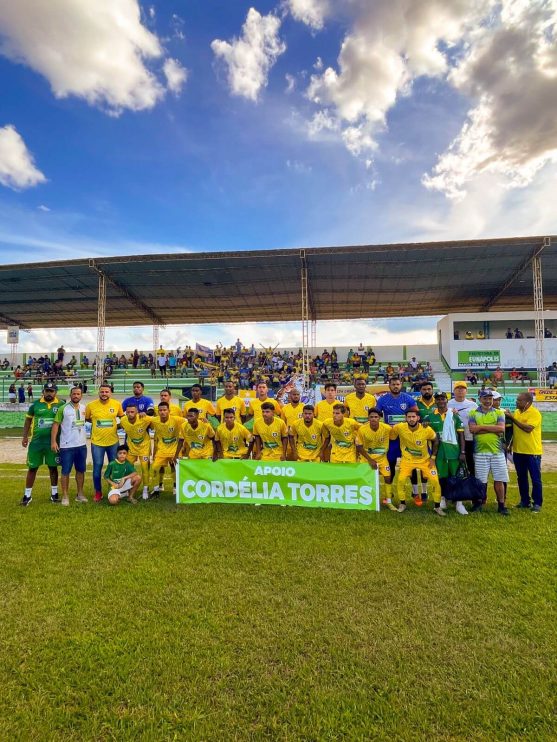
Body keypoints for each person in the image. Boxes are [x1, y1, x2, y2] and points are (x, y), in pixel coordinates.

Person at [422, 392, 469, 515]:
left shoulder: (454, 416)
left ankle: (459, 503)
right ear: (435, 401)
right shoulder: (430, 417)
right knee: (441, 478)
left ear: (446, 400)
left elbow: (461, 435)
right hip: (439, 453)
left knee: (457, 477)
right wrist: (424, 425)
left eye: (443, 398)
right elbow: (425, 434)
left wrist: (463, 452)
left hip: (454, 451)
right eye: (438, 399)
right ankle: (442, 499)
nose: (440, 401)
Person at [390, 410, 444, 516]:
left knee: (435, 481)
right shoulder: (399, 427)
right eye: (409, 417)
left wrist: (433, 457)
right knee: (400, 480)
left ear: (418, 418)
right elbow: (391, 435)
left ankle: (437, 507)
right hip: (407, 460)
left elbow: (436, 440)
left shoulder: (426, 429)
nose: (411, 419)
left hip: (425, 460)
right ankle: (402, 504)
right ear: (406, 418)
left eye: (413, 417)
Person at [19, 381, 61, 506]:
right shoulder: (35, 405)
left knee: (53, 468)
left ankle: (54, 494)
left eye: (51, 391)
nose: (49, 393)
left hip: (53, 443)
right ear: (43, 392)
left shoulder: (61, 404)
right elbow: (27, 421)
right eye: (47, 391)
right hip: (36, 443)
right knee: (32, 468)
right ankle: (27, 495)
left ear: (55, 392)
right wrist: (25, 437)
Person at [468, 390, 509, 515]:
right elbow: (472, 430)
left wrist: (480, 427)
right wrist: (492, 429)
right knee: (481, 481)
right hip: (480, 452)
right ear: (480, 399)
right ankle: (479, 504)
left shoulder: (499, 412)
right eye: (485, 398)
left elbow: (501, 429)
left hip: (497, 452)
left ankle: (501, 505)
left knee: (499, 479)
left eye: (490, 398)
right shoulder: (473, 412)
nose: (488, 401)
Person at [85, 383, 124, 502]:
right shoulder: (91, 405)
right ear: (99, 393)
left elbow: (122, 418)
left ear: (110, 393)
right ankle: (98, 492)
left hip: (113, 442)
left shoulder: (117, 404)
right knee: (97, 467)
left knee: (114, 468)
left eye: (106, 392)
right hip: (97, 442)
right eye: (102, 392)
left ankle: (113, 490)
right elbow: (87, 418)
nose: (104, 394)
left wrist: (115, 427)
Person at [375, 376, 418, 482]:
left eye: (397, 384)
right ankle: (389, 492)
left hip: (406, 436)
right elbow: (376, 414)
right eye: (393, 384)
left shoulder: (407, 398)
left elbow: (416, 413)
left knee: (410, 463)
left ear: (401, 385)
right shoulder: (383, 399)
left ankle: (415, 492)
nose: (395, 386)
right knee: (391, 463)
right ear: (389, 386)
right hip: (391, 437)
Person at [50, 384, 87, 506]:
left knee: (80, 470)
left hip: (81, 445)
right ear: (70, 395)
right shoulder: (63, 408)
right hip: (67, 446)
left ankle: (80, 494)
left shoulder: (84, 408)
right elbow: (55, 425)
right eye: (74, 394)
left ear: (81, 396)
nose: (76, 396)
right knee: (65, 471)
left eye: (78, 394)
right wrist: (53, 441)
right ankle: (65, 496)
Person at [505, 392, 543, 512]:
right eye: (517, 400)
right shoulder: (517, 412)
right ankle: (524, 501)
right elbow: (515, 431)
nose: (517, 402)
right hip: (518, 451)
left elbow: (527, 429)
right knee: (521, 477)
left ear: (527, 402)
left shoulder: (535, 413)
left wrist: (512, 418)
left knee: (535, 478)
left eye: (519, 400)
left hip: (532, 452)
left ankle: (537, 503)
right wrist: (510, 444)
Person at [356, 409, 397, 510]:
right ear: (368, 418)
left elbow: (394, 437)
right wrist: (370, 460)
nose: (373, 419)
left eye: (376, 417)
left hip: (382, 459)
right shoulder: (362, 429)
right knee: (363, 478)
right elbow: (359, 446)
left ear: (380, 418)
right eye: (371, 417)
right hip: (367, 459)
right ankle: (363, 499)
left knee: (388, 477)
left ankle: (388, 501)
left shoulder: (387, 428)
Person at [148, 402, 183, 498]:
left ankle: (176, 488)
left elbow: (190, 420)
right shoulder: (155, 420)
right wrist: (141, 414)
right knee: (154, 468)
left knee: (175, 468)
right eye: (160, 410)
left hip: (174, 449)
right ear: (158, 411)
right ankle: (156, 490)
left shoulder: (176, 420)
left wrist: (203, 420)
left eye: (164, 410)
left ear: (169, 411)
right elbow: (143, 418)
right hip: (162, 450)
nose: (162, 412)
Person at [119, 403, 152, 500]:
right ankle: (126, 489)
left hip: (144, 447)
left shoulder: (145, 418)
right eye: (128, 412)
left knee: (145, 468)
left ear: (137, 412)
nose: (130, 414)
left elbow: (156, 420)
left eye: (132, 411)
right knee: (127, 468)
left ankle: (145, 489)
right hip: (131, 447)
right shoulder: (123, 420)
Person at [447, 381, 477, 475]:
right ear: (454, 391)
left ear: (466, 391)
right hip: (454, 438)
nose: (460, 390)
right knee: (454, 461)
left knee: (470, 460)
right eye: (458, 388)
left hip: (469, 437)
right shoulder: (448, 404)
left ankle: (471, 481)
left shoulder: (473, 405)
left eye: (462, 388)